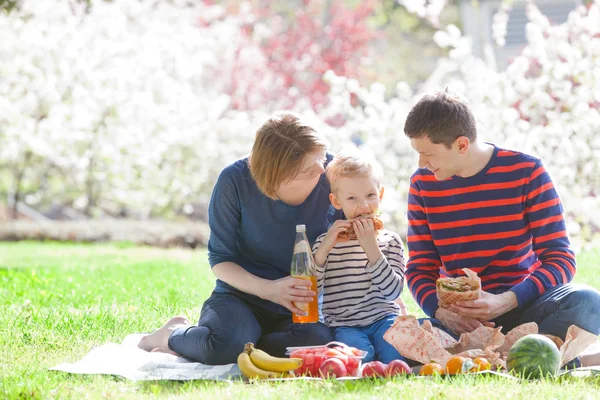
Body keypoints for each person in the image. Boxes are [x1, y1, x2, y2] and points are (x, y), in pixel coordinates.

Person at [403, 89, 600, 365]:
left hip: (526, 307)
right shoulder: (423, 183)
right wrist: (440, 312)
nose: (422, 164)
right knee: (395, 339)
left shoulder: (527, 172)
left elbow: (561, 259)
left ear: (461, 145)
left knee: (589, 302)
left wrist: (507, 300)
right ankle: (547, 358)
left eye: (427, 154)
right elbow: (420, 266)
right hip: (464, 323)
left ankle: (497, 357)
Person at [138, 111, 344, 364]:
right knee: (225, 346)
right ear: (277, 174)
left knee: (319, 343)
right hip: (241, 298)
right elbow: (220, 259)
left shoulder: (337, 175)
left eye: (322, 158)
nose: (322, 170)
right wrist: (268, 290)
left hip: (301, 306)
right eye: (308, 170)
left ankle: (245, 343)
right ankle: (171, 335)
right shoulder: (234, 180)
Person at [310, 149, 408, 364]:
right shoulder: (326, 242)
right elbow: (310, 291)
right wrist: (323, 251)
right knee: (361, 358)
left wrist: (372, 249)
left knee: (396, 358)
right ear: (337, 202)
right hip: (344, 324)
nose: (364, 206)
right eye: (352, 198)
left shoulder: (390, 241)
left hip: (385, 318)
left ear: (380, 195)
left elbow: (393, 292)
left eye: (370, 196)